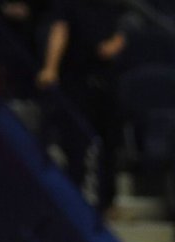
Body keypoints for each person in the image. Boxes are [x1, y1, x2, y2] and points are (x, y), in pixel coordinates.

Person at [36, 0, 130, 215]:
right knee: (77, 142)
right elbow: (60, 31)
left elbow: (121, 35)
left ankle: (108, 202)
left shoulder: (113, 7)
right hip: (77, 81)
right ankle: (74, 196)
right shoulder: (69, 6)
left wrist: (116, 43)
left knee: (110, 143)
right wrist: (50, 68)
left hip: (107, 83)